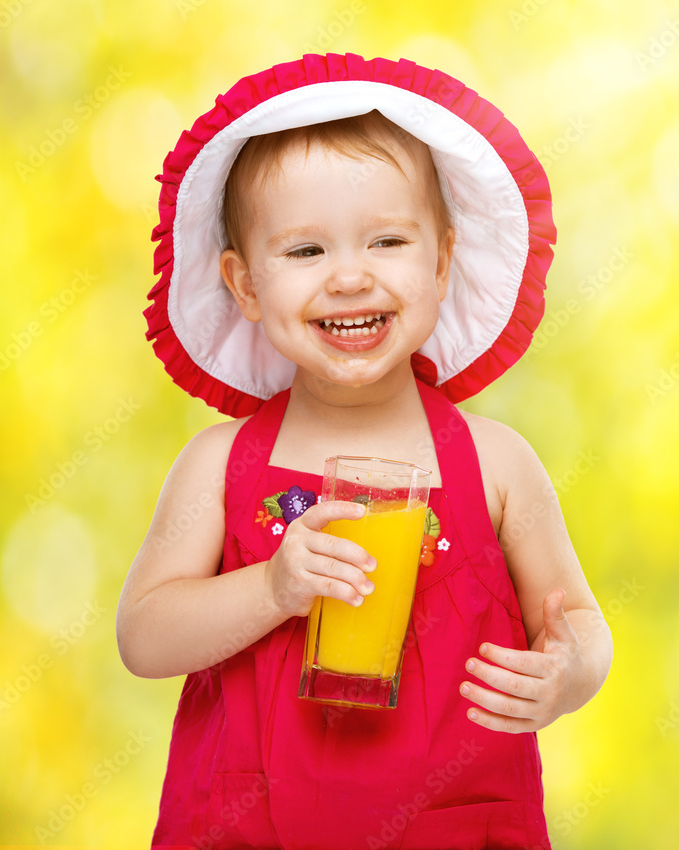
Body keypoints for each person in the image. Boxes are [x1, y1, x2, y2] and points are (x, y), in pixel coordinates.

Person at [116, 52, 613, 850]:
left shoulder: (498, 464)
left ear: (443, 260)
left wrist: (569, 672)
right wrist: (272, 588)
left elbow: (579, 620)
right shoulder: (218, 466)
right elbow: (143, 637)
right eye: (305, 252)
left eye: (386, 241)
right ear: (244, 286)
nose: (349, 277)